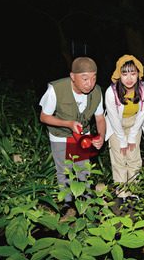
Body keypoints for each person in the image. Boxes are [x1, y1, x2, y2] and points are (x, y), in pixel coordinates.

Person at [39, 56, 105, 206]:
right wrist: (67, 123)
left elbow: (100, 118)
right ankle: (67, 205)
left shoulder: (97, 92)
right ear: (72, 77)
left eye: (94, 78)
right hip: (60, 136)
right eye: (85, 78)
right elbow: (44, 117)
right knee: (64, 172)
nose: (90, 84)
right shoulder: (56, 90)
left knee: (83, 169)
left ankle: (85, 204)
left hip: (83, 136)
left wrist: (101, 135)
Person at [105, 54, 144, 203]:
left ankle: (134, 191)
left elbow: (142, 114)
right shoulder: (110, 92)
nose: (129, 78)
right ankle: (121, 193)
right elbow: (113, 117)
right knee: (119, 158)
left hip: (134, 123)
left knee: (133, 158)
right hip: (115, 125)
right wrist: (122, 140)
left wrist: (131, 137)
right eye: (125, 73)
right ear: (119, 74)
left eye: (133, 73)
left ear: (139, 74)